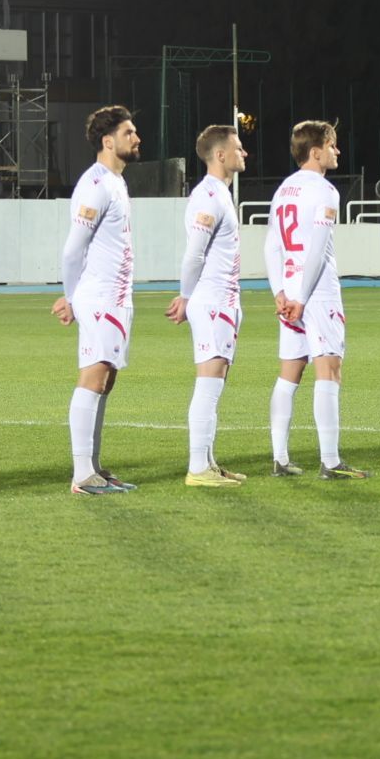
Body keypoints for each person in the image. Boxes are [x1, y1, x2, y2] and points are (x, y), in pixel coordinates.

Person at [265, 120, 366, 479]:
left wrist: (280, 292)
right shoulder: (324, 191)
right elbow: (319, 250)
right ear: (316, 151)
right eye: (333, 145)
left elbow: (272, 245)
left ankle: (280, 458)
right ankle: (331, 461)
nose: (337, 151)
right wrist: (304, 299)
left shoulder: (284, 190)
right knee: (329, 369)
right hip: (316, 292)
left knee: (289, 373)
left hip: (289, 289)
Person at [55, 105, 141, 495]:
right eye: (129, 133)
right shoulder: (96, 184)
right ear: (108, 141)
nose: (136, 138)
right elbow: (73, 249)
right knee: (93, 377)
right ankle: (80, 475)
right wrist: (71, 297)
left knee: (106, 379)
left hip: (116, 297)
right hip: (100, 296)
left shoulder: (115, 181)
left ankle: (94, 466)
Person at [168, 122, 249, 486]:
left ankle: (209, 462)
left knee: (216, 383)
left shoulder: (220, 194)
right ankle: (198, 468)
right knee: (208, 383)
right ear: (220, 155)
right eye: (238, 147)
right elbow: (194, 255)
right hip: (212, 300)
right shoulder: (209, 197)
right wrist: (186, 297)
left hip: (223, 300)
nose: (244, 153)